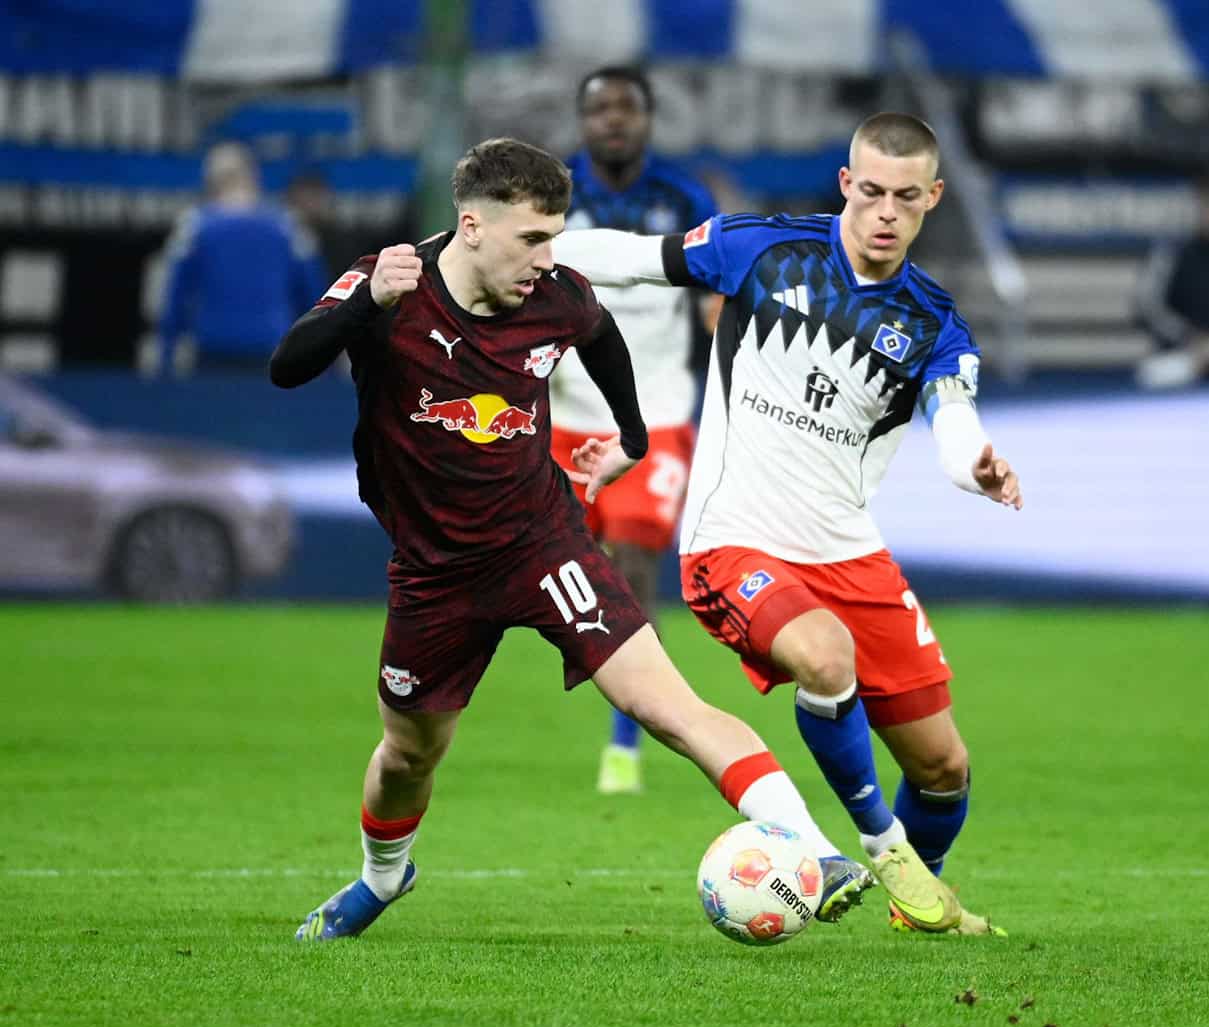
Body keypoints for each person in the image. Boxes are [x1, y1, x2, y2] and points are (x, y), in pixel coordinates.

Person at [268, 137, 872, 942]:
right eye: (532, 238)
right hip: (433, 573)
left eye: (556, 236)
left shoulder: (556, 295)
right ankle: (381, 879)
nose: (547, 258)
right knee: (408, 755)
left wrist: (630, 436)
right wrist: (363, 303)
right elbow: (286, 367)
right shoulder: (392, 283)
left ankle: (814, 851)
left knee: (668, 707)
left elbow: (600, 335)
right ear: (472, 226)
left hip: (542, 544)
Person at [555, 113, 1022, 936]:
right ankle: (880, 845)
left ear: (932, 200)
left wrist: (976, 464)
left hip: (849, 551)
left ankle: (917, 900)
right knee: (823, 654)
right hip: (733, 538)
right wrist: (513, 248)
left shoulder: (933, 324)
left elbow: (956, 421)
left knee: (945, 769)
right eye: (870, 191)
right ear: (847, 183)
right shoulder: (763, 250)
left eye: (904, 199)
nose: (884, 212)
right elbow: (633, 261)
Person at [553, 66, 720, 796]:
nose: (613, 120)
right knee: (558, 571)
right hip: (560, 415)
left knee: (631, 569)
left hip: (655, 414)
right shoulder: (551, 195)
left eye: (627, 108)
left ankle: (625, 744)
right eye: (599, 109)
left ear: (649, 119)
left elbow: (719, 301)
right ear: (583, 121)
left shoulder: (685, 198)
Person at [159, 142, 326, 375]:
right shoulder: (288, 227)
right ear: (254, 177)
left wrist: (164, 360)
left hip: (212, 350)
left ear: (210, 183)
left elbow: (175, 300)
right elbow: (316, 300)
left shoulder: (195, 228)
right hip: (271, 349)